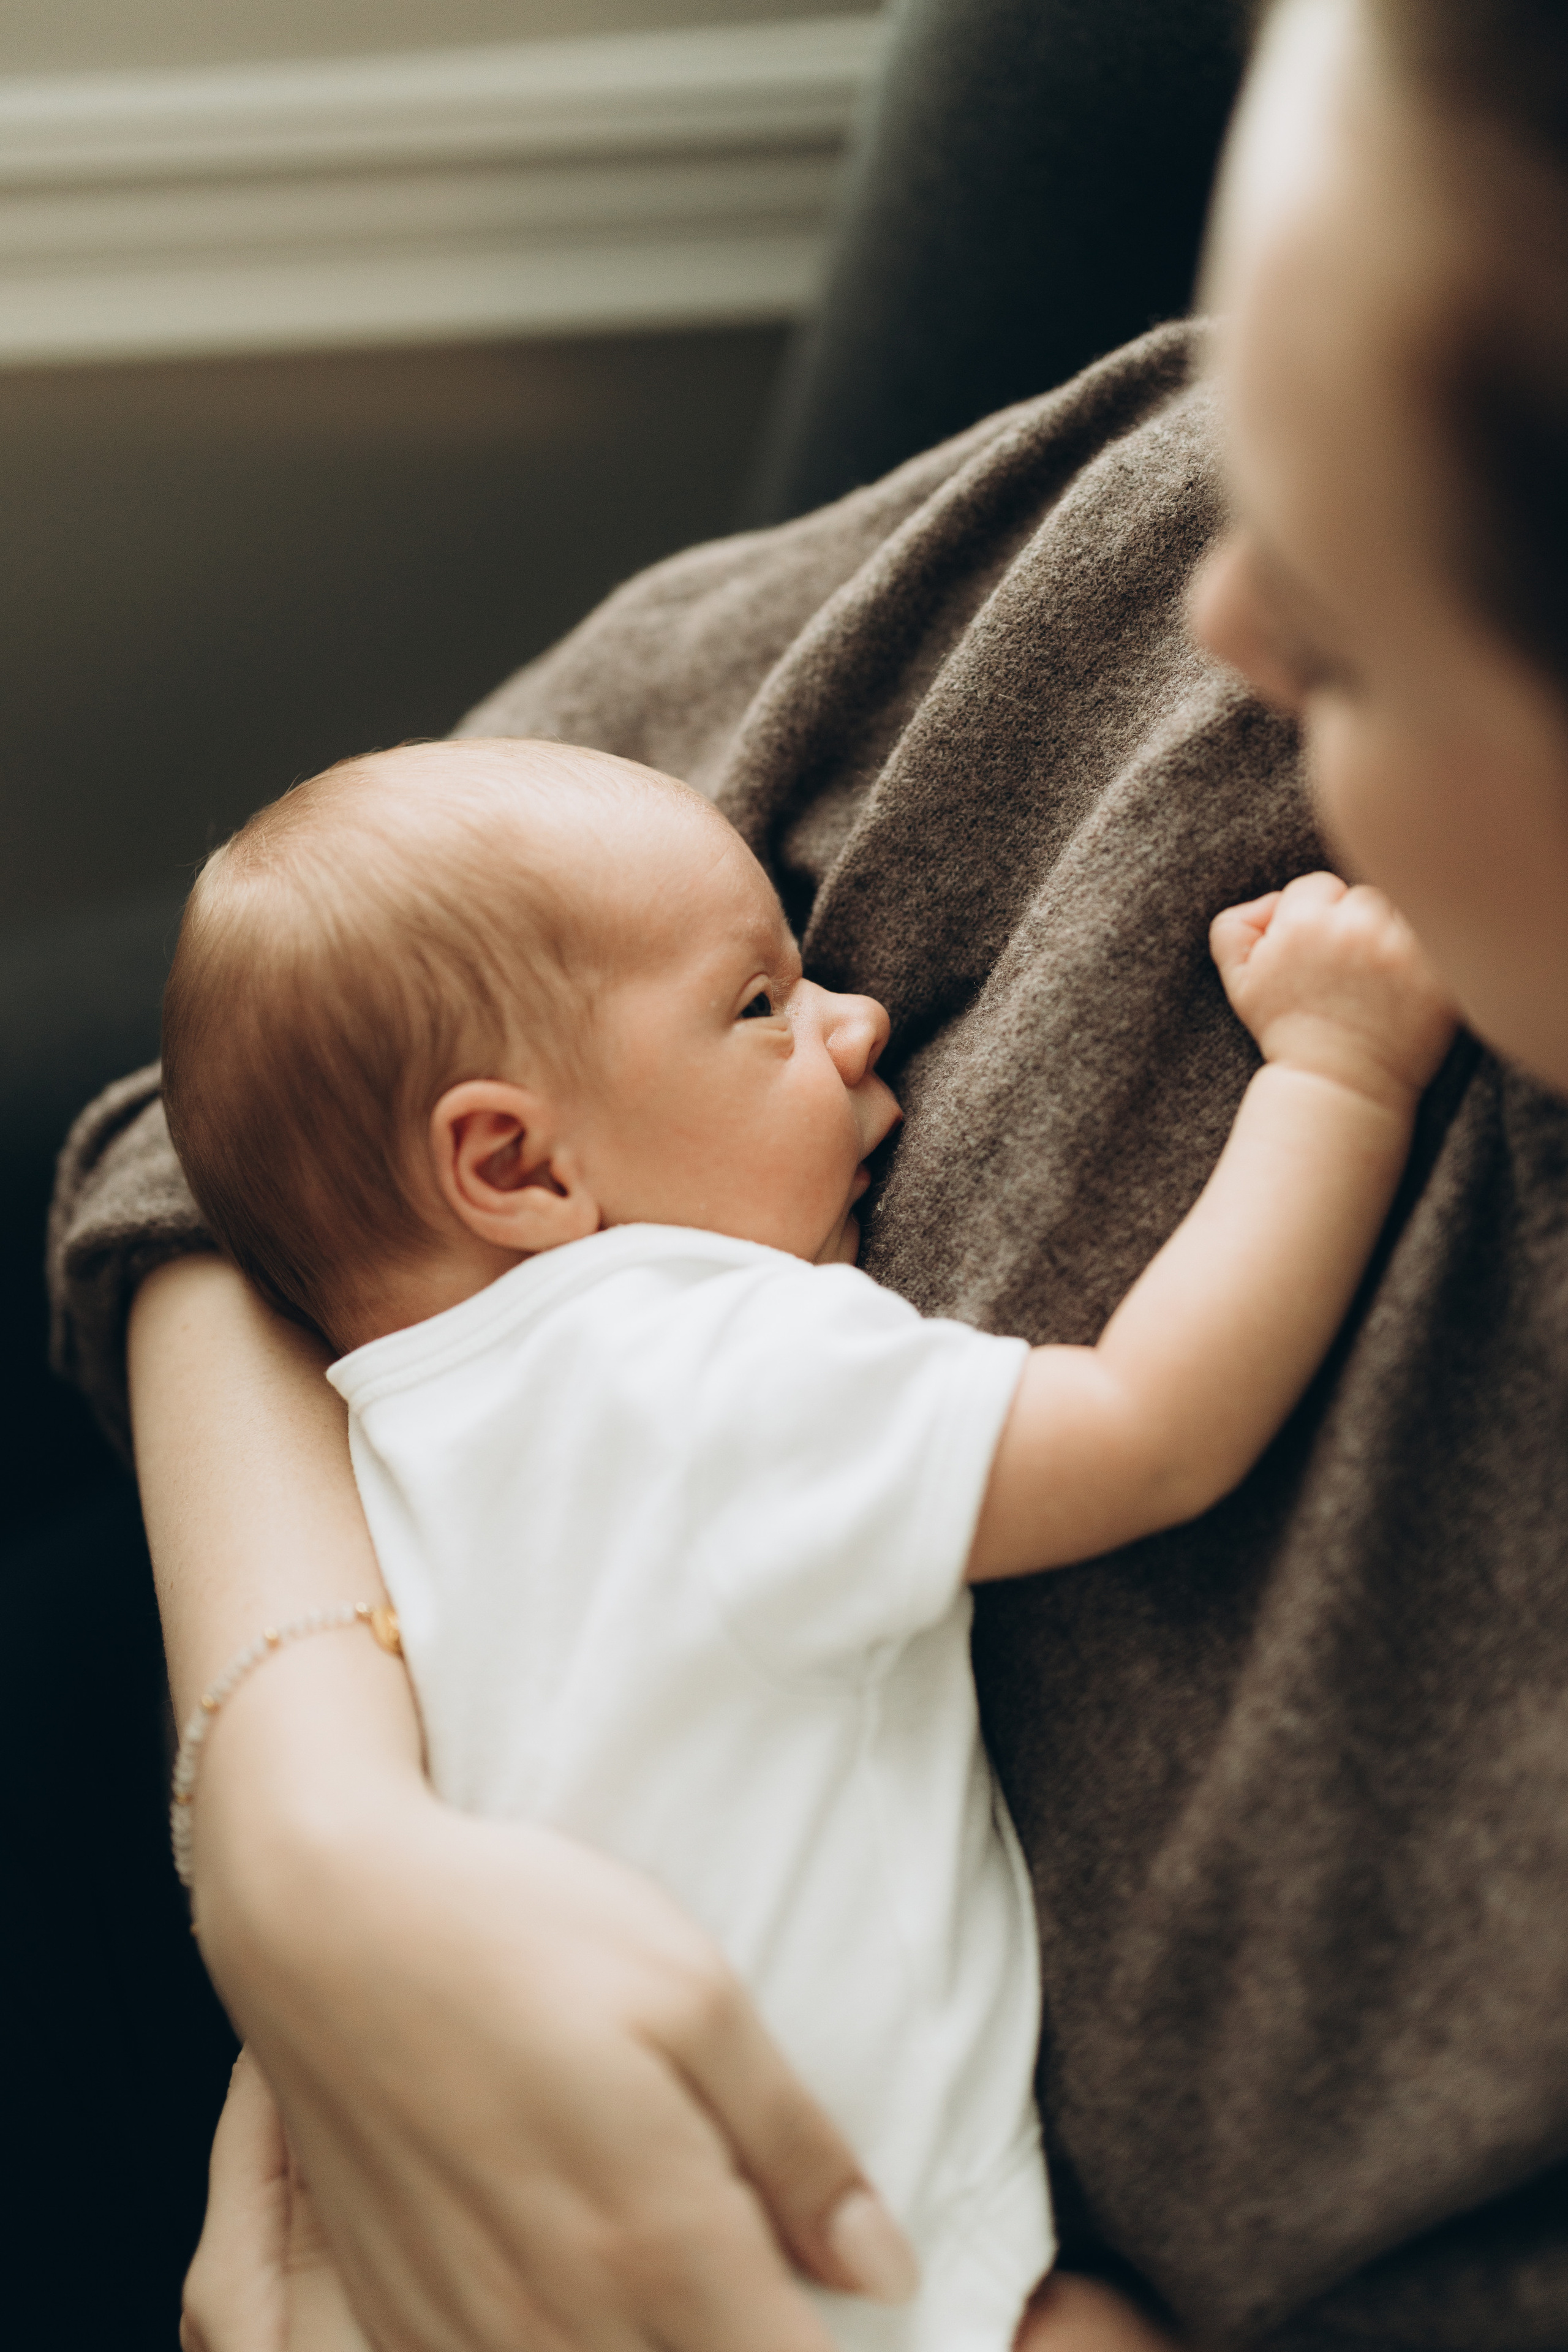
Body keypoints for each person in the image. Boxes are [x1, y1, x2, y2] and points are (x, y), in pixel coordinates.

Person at [48, 1, 1568, 2343]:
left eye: (1357, 615)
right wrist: (294, 1825)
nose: (1224, 621)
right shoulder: (671, 1318)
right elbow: (227, 1113)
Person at [160, 736, 1450, 2351]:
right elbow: (1148, 1431)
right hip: (813, 2261)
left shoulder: (379, 1445)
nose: (855, 1017)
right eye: (758, 1006)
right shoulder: (677, 1363)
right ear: (518, 1165)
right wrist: (1340, 1073)